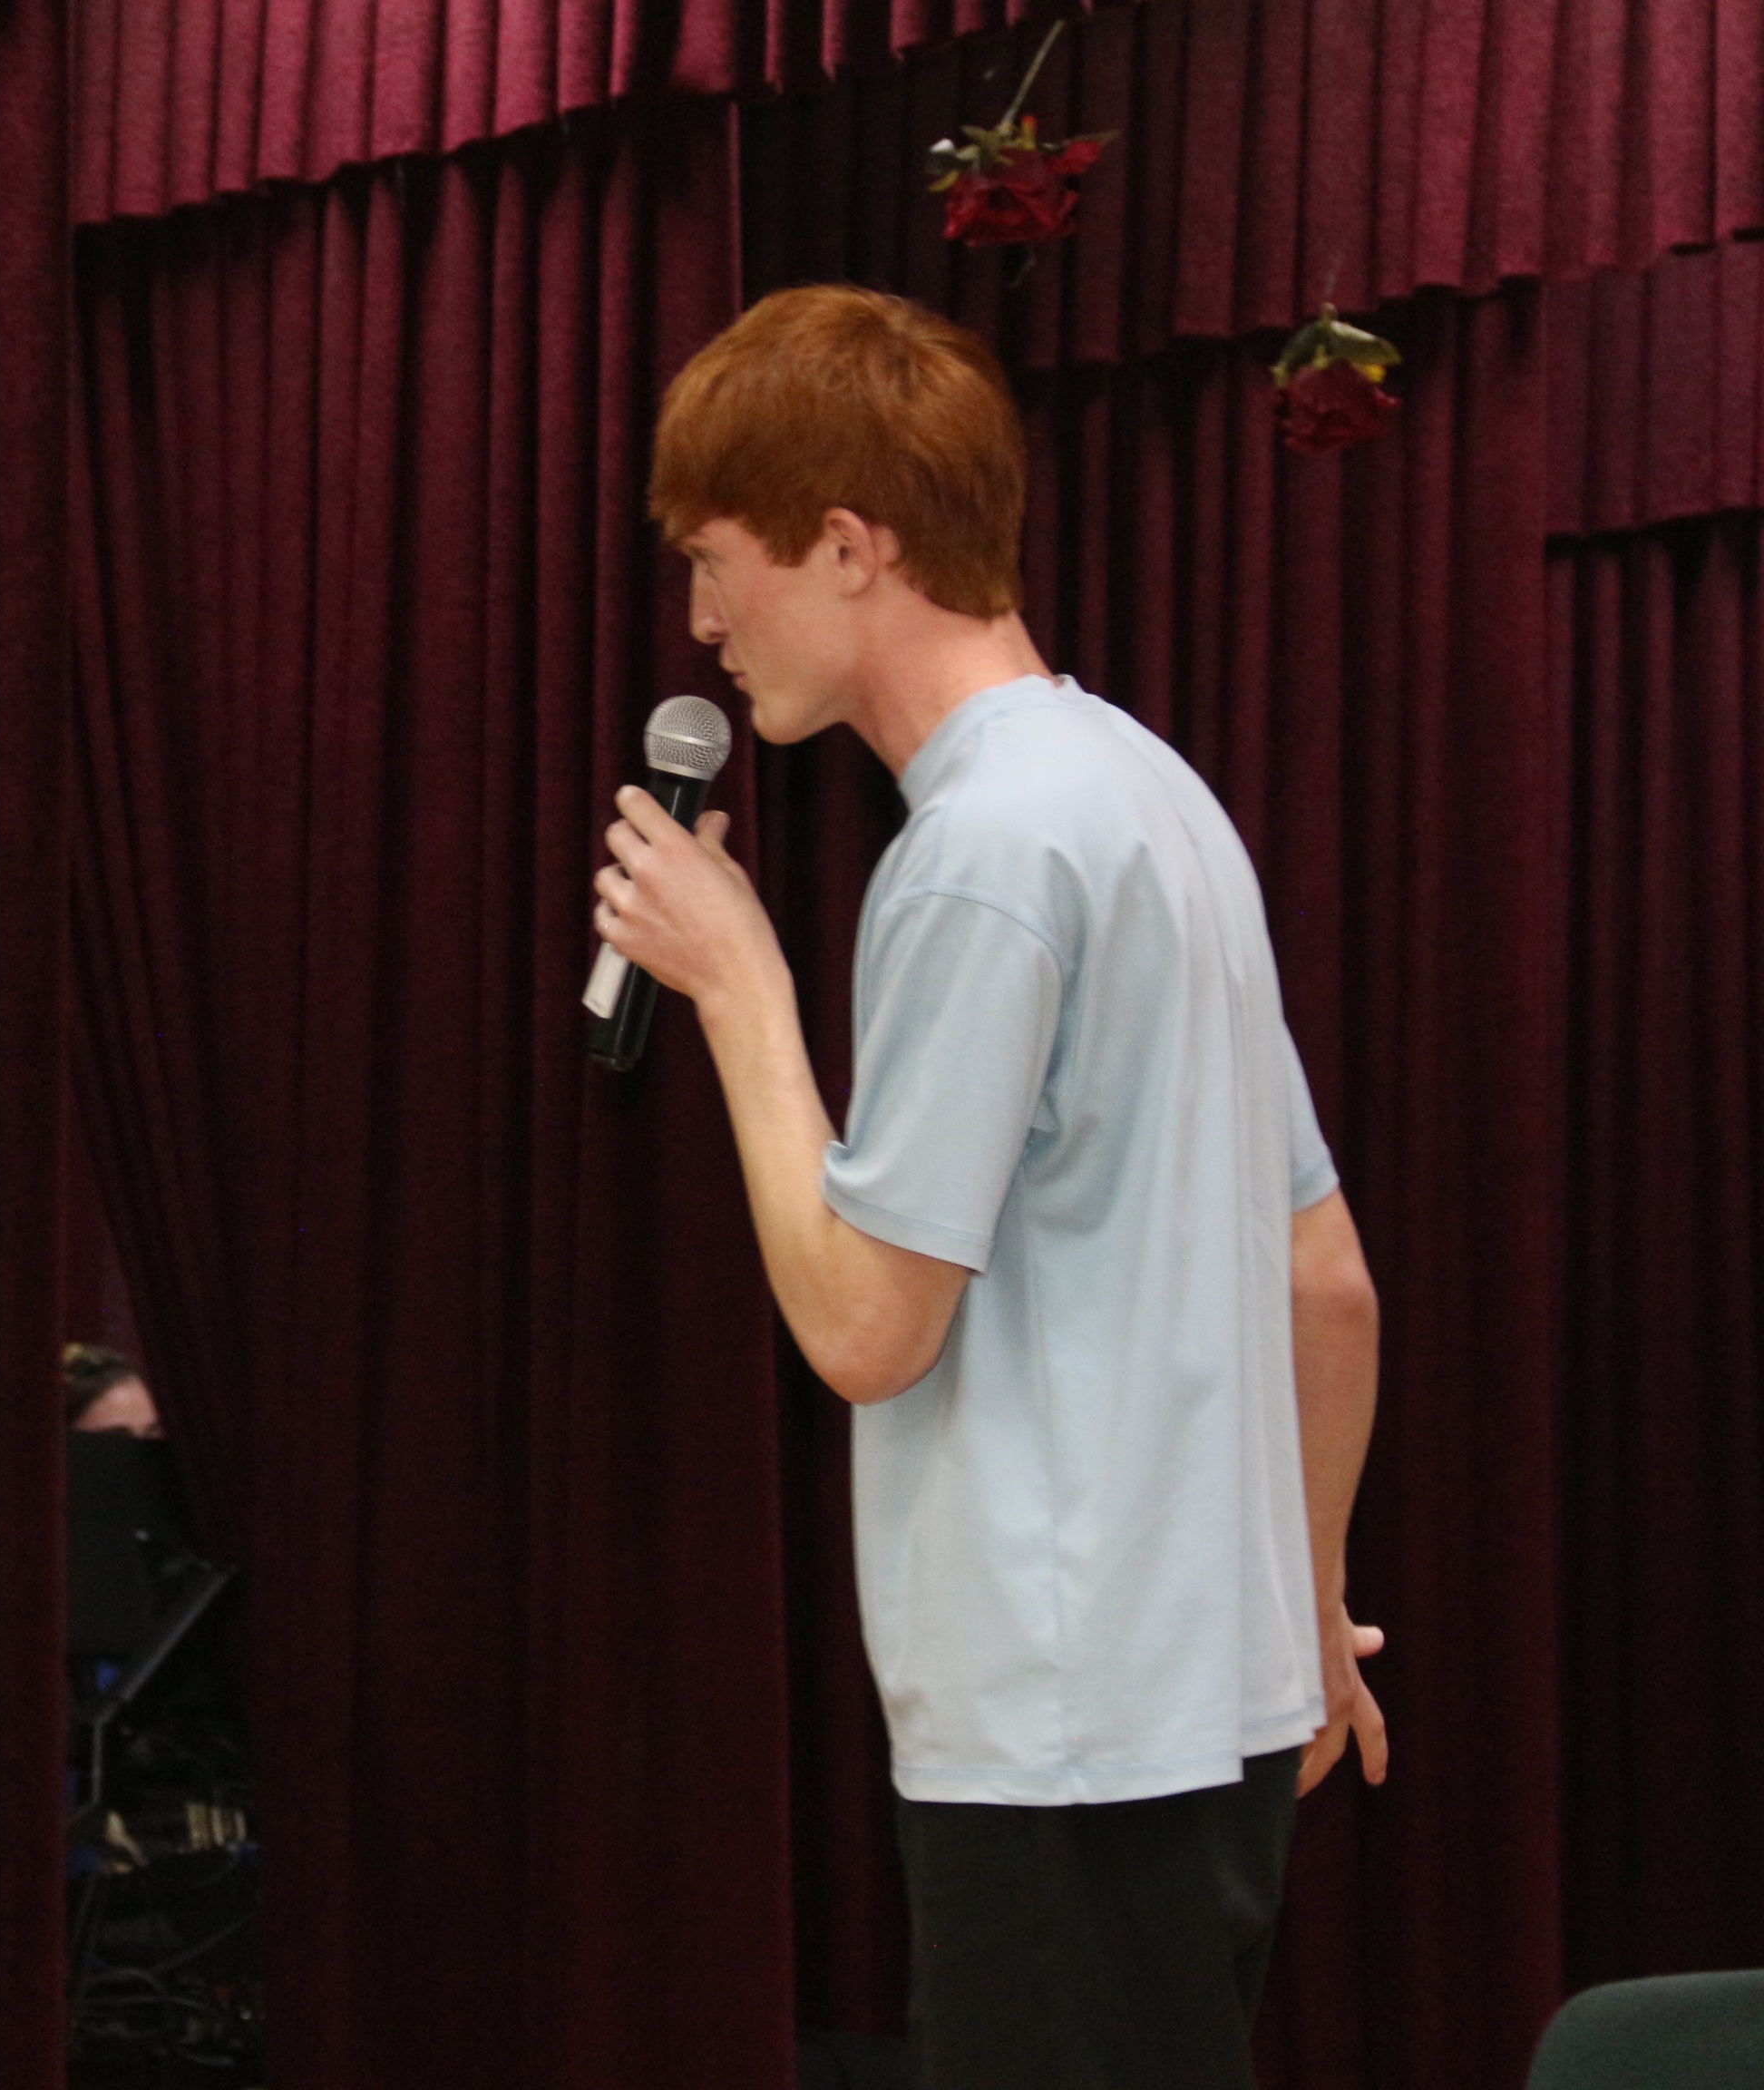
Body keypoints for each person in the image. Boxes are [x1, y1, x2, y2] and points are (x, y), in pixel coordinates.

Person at [591, 286, 1386, 2090]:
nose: (702, 623)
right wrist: (1307, 1614)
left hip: (1064, 1726)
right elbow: (1325, 1277)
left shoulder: (980, 852)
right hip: (1208, 1711)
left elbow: (869, 1330)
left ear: (848, 547)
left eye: (715, 563)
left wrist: (742, 992)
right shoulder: (1152, 796)